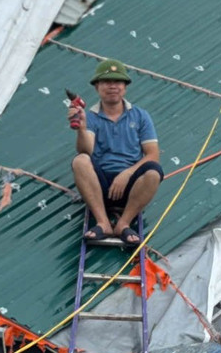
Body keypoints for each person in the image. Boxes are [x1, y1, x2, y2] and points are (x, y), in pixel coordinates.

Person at [69, 58, 163, 246]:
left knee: (154, 172)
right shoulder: (91, 116)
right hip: (100, 184)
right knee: (80, 160)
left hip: (131, 187)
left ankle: (124, 223)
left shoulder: (140, 116)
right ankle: (103, 222)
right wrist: (81, 128)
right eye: (106, 82)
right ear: (97, 87)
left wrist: (127, 174)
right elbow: (85, 150)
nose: (112, 86)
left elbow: (153, 154)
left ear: (125, 87)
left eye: (118, 82)